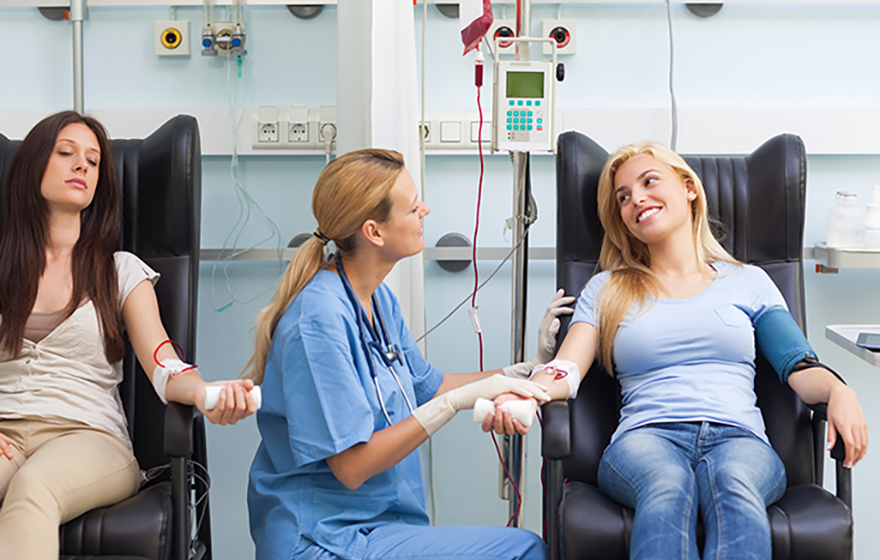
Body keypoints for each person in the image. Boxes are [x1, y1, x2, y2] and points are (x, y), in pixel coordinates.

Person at [492, 141, 869, 560]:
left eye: (649, 181)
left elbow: (799, 365)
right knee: (667, 483)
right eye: (623, 197)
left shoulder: (749, 282)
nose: (636, 199)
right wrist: (526, 391)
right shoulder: (606, 289)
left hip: (740, 439)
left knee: (734, 483)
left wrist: (840, 390)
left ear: (688, 187)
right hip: (645, 439)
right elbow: (567, 368)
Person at [244, 148, 563, 560]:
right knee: (523, 551)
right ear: (374, 232)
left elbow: (428, 385)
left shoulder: (376, 300)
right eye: (413, 208)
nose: (425, 211)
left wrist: (530, 370)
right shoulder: (318, 322)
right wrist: (451, 405)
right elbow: (352, 467)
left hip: (377, 525)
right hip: (324, 539)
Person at [0, 111, 259, 559]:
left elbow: (164, 365)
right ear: (31, 166)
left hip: (88, 437)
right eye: (66, 153)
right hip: (7, 430)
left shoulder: (119, 271)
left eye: (94, 161)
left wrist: (203, 393)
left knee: (32, 489)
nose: (82, 165)